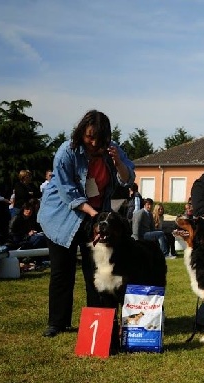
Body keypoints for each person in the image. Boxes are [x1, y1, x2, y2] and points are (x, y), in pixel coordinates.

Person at [38, 110, 135, 338]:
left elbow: (128, 177)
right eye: (89, 137)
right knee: (62, 271)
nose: (93, 143)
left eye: (98, 139)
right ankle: (57, 323)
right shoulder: (66, 152)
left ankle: (97, 320)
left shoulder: (113, 150)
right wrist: (93, 214)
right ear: (81, 132)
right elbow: (68, 191)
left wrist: (118, 162)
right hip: (62, 216)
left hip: (94, 216)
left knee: (95, 271)